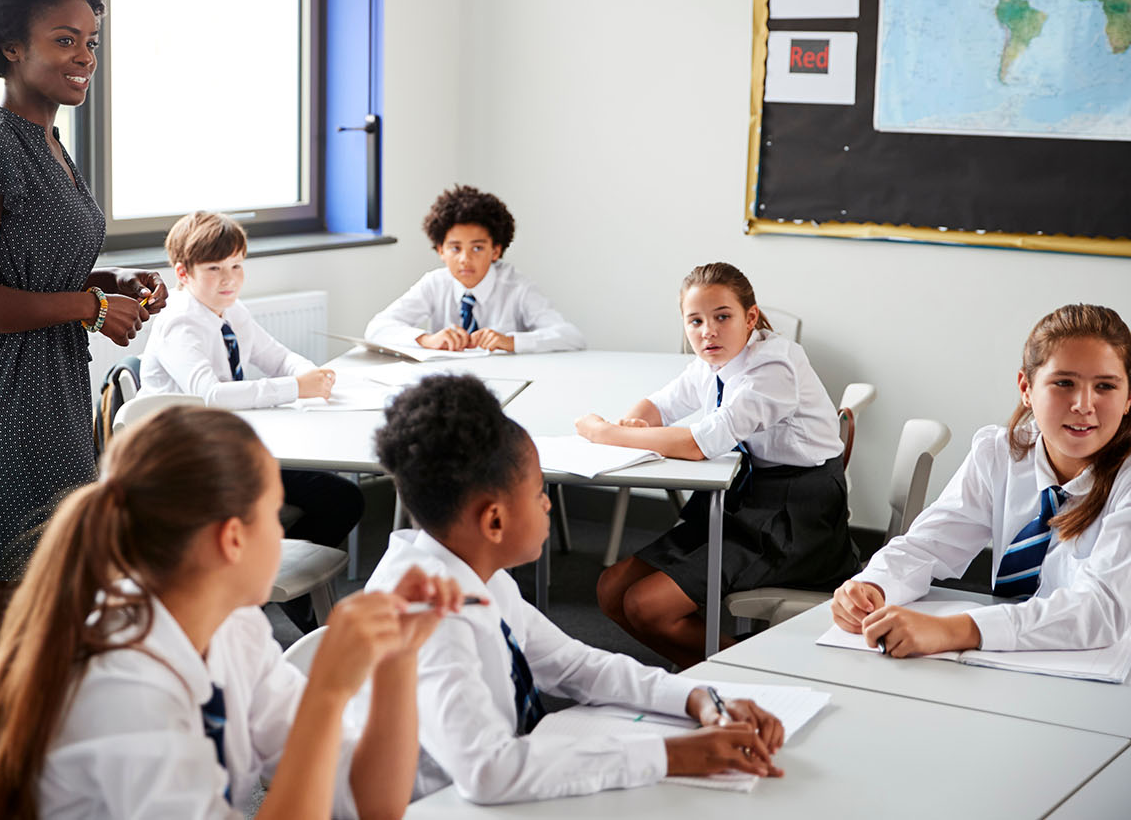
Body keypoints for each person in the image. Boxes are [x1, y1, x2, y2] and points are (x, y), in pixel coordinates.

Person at [0, 404, 462, 820]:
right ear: (231, 539)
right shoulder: (121, 694)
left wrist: (399, 657)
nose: (282, 534)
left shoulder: (235, 630)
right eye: (273, 515)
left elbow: (369, 802)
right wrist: (328, 693)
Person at [352, 374, 784, 805]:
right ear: (494, 521)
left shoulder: (477, 573)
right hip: (434, 805)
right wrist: (670, 755)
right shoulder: (426, 615)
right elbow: (488, 772)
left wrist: (696, 698)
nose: (547, 504)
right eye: (539, 492)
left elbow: (573, 666)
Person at [0, 0, 168, 667]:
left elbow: (31, 266)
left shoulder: (49, 143)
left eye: (91, 41)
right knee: (26, 625)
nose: (84, 56)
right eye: (64, 40)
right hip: (7, 404)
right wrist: (87, 308)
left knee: (55, 613)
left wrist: (109, 284)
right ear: (10, 45)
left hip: (53, 395)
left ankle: (34, 770)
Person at [580, 262, 857, 668]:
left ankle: (753, 678)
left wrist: (606, 433)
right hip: (744, 500)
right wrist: (631, 422)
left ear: (749, 318)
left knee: (647, 605)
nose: (707, 331)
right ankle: (714, 670)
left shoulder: (775, 366)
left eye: (721, 317)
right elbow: (662, 403)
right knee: (611, 589)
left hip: (797, 517)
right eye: (695, 321)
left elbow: (699, 444)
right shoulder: (714, 360)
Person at [833, 303, 1131, 657]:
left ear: (1129, 397)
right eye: (1064, 383)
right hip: (1007, 661)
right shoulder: (999, 453)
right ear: (1026, 387)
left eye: (1105, 386)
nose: (1083, 404)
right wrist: (872, 586)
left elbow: (1100, 609)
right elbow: (928, 545)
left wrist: (956, 629)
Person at [140, 210, 364, 632]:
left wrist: (310, 372)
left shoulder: (230, 309)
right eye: (215, 269)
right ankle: (264, 597)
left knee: (343, 498)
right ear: (183, 273)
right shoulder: (179, 324)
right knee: (329, 499)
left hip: (230, 453)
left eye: (237, 266)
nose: (229, 279)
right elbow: (211, 396)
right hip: (191, 467)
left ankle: (275, 592)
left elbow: (277, 357)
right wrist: (297, 388)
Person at [363, 184, 585, 353]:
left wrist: (510, 341)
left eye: (477, 248)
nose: (465, 259)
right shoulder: (434, 283)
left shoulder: (517, 287)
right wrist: (426, 340)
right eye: (455, 248)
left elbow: (572, 337)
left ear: (496, 250)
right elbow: (376, 329)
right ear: (441, 250)